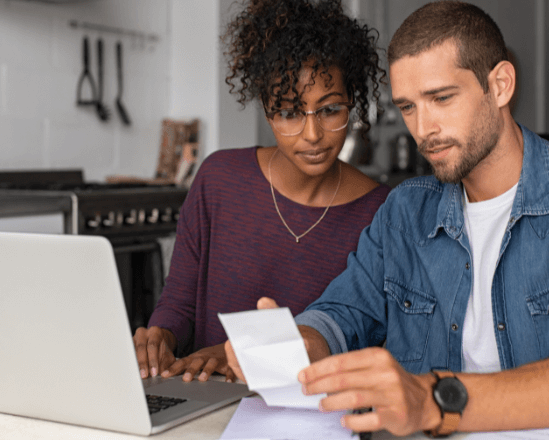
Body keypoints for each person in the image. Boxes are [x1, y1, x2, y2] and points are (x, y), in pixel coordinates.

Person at [226, 1, 549, 437]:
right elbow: (342, 313)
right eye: (409, 106)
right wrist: (299, 344)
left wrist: (434, 400)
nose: (423, 128)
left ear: (500, 85)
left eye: (440, 98)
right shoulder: (405, 212)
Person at [134, 0, 390, 384]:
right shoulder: (218, 179)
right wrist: (160, 338)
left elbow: (363, 338)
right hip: (205, 399)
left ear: (352, 102)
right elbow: (180, 303)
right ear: (267, 112)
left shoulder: (381, 211)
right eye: (289, 113)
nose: (312, 134)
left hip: (310, 415)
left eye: (330, 109)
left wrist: (233, 354)